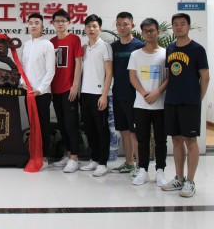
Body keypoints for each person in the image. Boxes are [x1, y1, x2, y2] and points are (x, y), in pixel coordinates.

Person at [161, 13, 210, 197]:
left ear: (188, 26)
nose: (178, 27)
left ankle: (190, 181)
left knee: (190, 140)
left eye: (182, 24)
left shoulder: (197, 49)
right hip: (172, 101)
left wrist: (197, 99)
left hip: (190, 102)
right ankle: (179, 178)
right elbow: (169, 75)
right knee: (176, 139)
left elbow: (205, 77)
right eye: (175, 24)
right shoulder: (170, 48)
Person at [128, 18, 168, 186]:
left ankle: (160, 171)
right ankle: (143, 170)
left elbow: (169, 77)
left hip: (161, 104)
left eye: (152, 30)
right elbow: (132, 77)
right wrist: (145, 94)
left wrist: (157, 93)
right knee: (142, 139)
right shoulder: (135, 54)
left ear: (158, 31)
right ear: (142, 33)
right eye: (145, 31)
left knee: (161, 140)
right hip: (141, 104)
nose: (149, 33)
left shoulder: (166, 53)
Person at [49, 9, 84, 173]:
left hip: (69, 88)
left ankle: (75, 158)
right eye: (57, 21)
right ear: (53, 23)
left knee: (71, 124)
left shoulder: (74, 39)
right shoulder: (51, 42)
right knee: (62, 124)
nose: (60, 24)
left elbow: (78, 63)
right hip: (55, 88)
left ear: (68, 22)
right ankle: (68, 154)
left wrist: (75, 85)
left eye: (63, 21)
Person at [110, 12, 144, 176]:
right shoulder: (113, 47)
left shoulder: (139, 46)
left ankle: (140, 166)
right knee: (123, 131)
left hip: (134, 97)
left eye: (125, 24)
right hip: (118, 94)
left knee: (134, 132)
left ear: (132, 25)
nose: (122, 27)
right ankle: (129, 163)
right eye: (119, 24)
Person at [21, 13, 56, 170]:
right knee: (32, 125)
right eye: (31, 23)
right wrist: (22, 82)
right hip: (28, 92)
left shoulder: (47, 45)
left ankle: (44, 157)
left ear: (42, 27)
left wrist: (40, 89)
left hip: (42, 93)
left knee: (42, 125)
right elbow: (22, 67)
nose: (33, 25)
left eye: (37, 23)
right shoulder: (26, 45)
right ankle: (34, 155)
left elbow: (51, 71)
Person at [79, 14, 113, 177]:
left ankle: (103, 163)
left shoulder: (105, 46)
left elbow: (109, 72)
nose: (91, 29)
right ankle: (94, 159)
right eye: (88, 26)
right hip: (85, 93)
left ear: (99, 28)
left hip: (99, 94)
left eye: (94, 26)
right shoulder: (84, 48)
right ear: (85, 29)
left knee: (102, 129)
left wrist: (104, 95)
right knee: (89, 129)